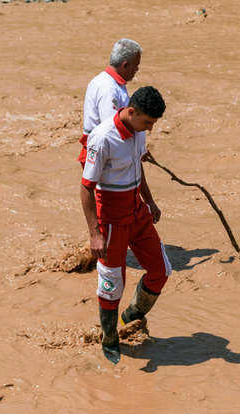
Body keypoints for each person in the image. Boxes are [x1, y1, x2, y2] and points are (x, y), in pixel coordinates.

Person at [80, 86, 172, 364]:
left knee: (161, 270)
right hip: (111, 221)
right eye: (147, 123)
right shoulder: (102, 138)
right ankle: (110, 339)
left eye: (153, 125)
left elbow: (137, 166)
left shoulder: (138, 131)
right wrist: (95, 234)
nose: (150, 129)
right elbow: (86, 188)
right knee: (111, 286)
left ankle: (131, 315)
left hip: (137, 212)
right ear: (131, 112)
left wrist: (150, 202)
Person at [78, 39, 142, 168]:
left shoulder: (107, 81)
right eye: (136, 64)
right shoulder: (109, 88)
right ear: (125, 65)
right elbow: (111, 129)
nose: (137, 69)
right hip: (104, 156)